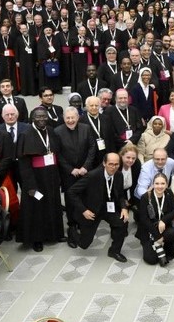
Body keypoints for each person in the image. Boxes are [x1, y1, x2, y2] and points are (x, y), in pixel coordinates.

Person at [15, 108, 64, 252]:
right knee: (37, 208)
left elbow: (56, 153)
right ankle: (37, 239)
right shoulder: (25, 134)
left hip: (51, 176)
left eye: (44, 116)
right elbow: (23, 163)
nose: (42, 119)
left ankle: (55, 234)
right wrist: (30, 185)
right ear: (32, 118)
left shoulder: (51, 131)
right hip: (35, 178)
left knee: (53, 204)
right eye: (38, 117)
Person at [67, 152, 130, 262]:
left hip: (108, 208)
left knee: (122, 222)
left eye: (116, 164)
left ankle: (114, 251)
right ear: (104, 163)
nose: (113, 167)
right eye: (111, 164)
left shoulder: (119, 175)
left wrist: (124, 208)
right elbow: (71, 192)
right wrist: (84, 210)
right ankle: (72, 232)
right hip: (91, 210)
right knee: (84, 244)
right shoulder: (92, 176)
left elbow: (120, 195)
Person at [54, 107, 99, 245]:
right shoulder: (57, 131)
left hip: (85, 172)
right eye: (67, 118)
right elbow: (58, 154)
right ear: (63, 118)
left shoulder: (86, 128)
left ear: (78, 117)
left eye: (73, 117)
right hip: (69, 174)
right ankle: (72, 226)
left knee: (85, 197)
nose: (70, 120)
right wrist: (70, 169)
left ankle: (83, 222)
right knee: (70, 200)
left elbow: (92, 148)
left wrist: (86, 166)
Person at [136, 172, 174, 266]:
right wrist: (157, 236)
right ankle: (158, 243)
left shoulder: (169, 193)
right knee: (151, 260)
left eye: (163, 183)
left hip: (164, 226)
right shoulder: (145, 197)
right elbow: (144, 219)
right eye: (157, 183)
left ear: (166, 184)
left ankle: (162, 244)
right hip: (149, 228)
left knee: (170, 253)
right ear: (153, 184)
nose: (160, 186)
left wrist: (163, 220)